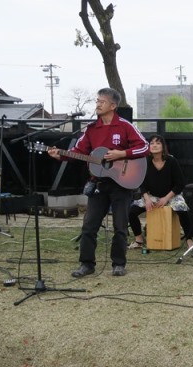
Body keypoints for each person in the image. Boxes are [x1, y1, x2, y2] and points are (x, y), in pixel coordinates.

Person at [48, 88, 149, 277]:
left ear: (113, 105)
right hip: (98, 184)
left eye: (101, 101)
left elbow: (144, 147)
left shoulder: (125, 126)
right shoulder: (91, 129)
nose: (97, 104)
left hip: (122, 185)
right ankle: (86, 264)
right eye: (97, 101)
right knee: (89, 226)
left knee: (120, 226)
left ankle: (118, 264)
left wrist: (122, 153)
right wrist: (59, 155)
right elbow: (78, 152)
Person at [128, 134, 193, 250]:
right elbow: (141, 183)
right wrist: (147, 198)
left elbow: (180, 184)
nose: (154, 145)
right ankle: (139, 240)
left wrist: (166, 198)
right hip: (152, 196)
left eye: (158, 143)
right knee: (131, 211)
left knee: (182, 209)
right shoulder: (145, 162)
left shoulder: (172, 161)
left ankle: (190, 241)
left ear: (163, 146)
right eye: (152, 143)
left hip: (171, 195)